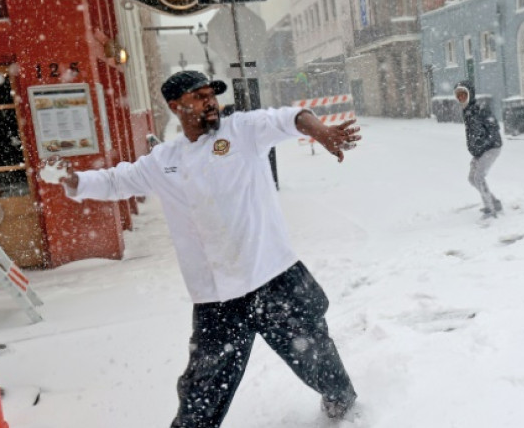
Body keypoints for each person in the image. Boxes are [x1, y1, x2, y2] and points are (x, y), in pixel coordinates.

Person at [44, 70, 360, 426]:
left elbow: (290, 118)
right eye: (200, 96)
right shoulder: (164, 160)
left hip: (273, 278)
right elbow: (117, 180)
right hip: (217, 298)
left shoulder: (242, 131)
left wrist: (323, 133)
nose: (211, 102)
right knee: (201, 393)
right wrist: (72, 180)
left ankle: (347, 413)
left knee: (318, 360)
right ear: (176, 106)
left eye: (213, 94)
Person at [454, 80, 502, 219]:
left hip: (491, 148)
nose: (461, 98)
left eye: (464, 95)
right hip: (480, 151)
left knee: (478, 177)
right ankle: (494, 202)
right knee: (472, 179)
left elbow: (494, 128)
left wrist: (484, 142)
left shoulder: (480, 110)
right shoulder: (467, 111)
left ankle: (490, 209)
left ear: (470, 94)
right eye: (459, 96)